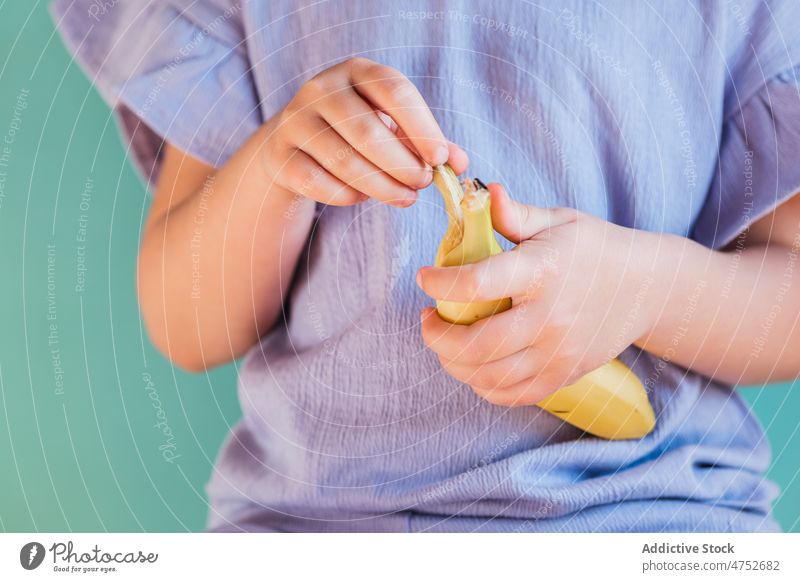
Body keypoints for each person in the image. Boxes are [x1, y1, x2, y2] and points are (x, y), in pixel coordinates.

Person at [52, 0, 800, 532]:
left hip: (644, 517)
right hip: (307, 524)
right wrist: (274, 169)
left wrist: (645, 291)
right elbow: (186, 323)